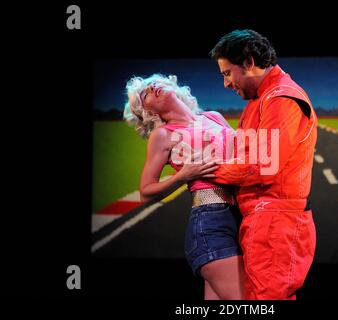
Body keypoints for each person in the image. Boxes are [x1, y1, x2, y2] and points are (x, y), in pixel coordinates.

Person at [208, 29, 318, 300]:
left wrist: (210, 170)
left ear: (248, 62)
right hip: (263, 219)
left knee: (265, 300)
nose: (226, 84)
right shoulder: (262, 100)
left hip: (274, 222)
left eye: (227, 73)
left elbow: (262, 166)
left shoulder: (280, 99)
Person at [123, 73, 244, 300]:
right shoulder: (162, 135)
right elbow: (145, 193)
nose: (152, 88)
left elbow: (242, 158)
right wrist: (182, 176)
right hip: (210, 223)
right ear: (148, 112)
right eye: (144, 94)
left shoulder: (215, 117)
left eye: (153, 83)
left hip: (242, 216)